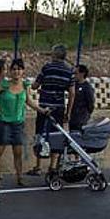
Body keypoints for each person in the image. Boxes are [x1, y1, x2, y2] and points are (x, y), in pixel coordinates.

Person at [0, 59, 48, 187]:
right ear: (10, 71)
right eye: (14, 69)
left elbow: (28, 101)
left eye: (19, 69)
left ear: (23, 71)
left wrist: (41, 110)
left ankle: (19, 177)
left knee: (18, 152)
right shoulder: (4, 85)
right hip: (4, 122)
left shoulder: (25, 85)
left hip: (18, 123)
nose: (16, 71)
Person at [28, 45, 76, 175]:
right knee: (56, 137)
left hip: (43, 106)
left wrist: (36, 87)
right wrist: (68, 112)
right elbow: (72, 93)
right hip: (59, 108)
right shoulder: (69, 71)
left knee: (40, 134)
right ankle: (53, 167)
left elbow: (34, 86)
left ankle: (38, 166)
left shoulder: (46, 68)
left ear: (54, 55)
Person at [68, 64, 95, 131]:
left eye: (76, 73)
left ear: (82, 74)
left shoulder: (87, 88)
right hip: (73, 118)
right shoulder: (74, 86)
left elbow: (91, 104)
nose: (74, 75)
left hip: (81, 119)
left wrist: (86, 114)